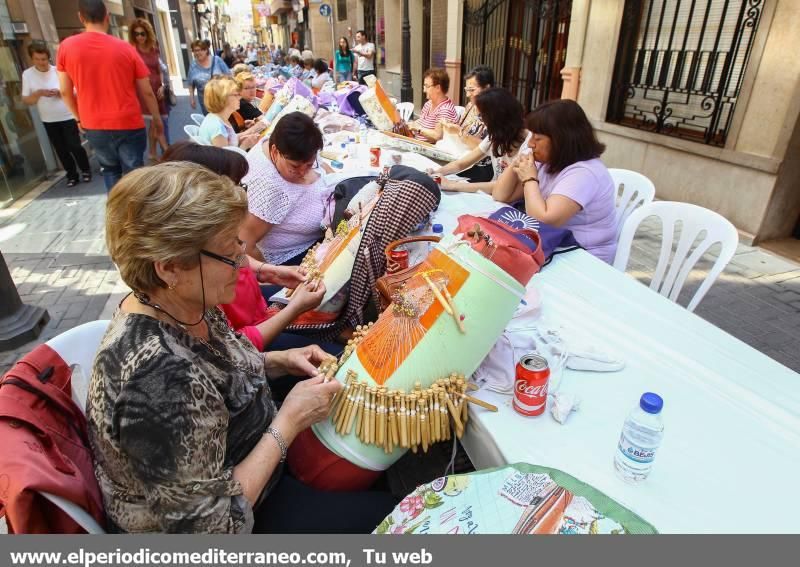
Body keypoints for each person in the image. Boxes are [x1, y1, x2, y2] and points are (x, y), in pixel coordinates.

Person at [92, 161, 396, 533]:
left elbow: (218, 365)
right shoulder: (157, 382)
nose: (243, 261)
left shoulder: (180, 302)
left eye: (239, 242)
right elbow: (210, 528)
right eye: (229, 252)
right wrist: (288, 422)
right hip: (240, 515)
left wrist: (279, 360)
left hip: (250, 456)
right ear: (169, 268)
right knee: (397, 514)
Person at [159, 142, 340, 357]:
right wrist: (293, 310)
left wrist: (269, 272)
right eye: (235, 186)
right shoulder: (194, 291)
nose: (242, 260)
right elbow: (233, 351)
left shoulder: (204, 258)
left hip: (257, 313)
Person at [494, 99, 618, 263]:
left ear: (562, 139)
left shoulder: (585, 173)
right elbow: (501, 195)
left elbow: (544, 219)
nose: (530, 144)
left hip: (584, 257)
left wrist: (530, 178)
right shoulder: (549, 161)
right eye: (531, 135)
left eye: (537, 138)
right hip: (553, 243)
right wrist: (518, 161)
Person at [57, 0, 162, 190]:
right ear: (107, 17)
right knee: (134, 171)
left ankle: (118, 216)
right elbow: (146, 90)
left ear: (81, 17)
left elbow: (65, 91)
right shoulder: (126, 48)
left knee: (110, 170)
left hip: (94, 123)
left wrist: (78, 118)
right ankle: (137, 215)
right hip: (128, 121)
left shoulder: (66, 47)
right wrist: (156, 118)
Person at [240, 112, 331, 266]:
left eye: (309, 164)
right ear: (275, 152)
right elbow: (245, 243)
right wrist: (272, 276)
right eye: (295, 167)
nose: (303, 172)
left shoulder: (286, 145)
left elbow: (323, 169)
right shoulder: (269, 188)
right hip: (292, 256)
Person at [430, 88, 529, 192]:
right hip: (494, 197)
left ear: (497, 118)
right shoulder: (495, 137)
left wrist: (452, 185)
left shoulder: (528, 145)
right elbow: (461, 164)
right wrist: (435, 173)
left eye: (482, 116)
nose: (481, 121)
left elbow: (505, 187)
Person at [21, 42, 91, 188]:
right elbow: (27, 100)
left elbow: (76, 91)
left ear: (49, 58)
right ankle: (71, 175)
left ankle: (85, 170)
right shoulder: (27, 75)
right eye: (37, 59)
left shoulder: (58, 71)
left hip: (67, 115)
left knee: (74, 145)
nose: (41, 62)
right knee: (61, 149)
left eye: (44, 59)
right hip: (48, 119)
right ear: (31, 59)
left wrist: (61, 93)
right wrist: (39, 93)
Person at [440, 65, 494, 182]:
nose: (468, 94)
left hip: (480, 166)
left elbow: (486, 148)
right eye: (467, 90)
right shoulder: (470, 106)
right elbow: (462, 129)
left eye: (472, 90)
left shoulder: (493, 114)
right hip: (461, 157)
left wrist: (459, 132)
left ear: (487, 88)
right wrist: (452, 127)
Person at [128, 18, 169, 161]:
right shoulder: (132, 50)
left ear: (148, 34)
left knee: (155, 123)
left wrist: (163, 86)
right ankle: (168, 153)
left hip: (157, 89)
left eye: (142, 33)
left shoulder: (154, 49)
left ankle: (152, 153)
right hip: (143, 91)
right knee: (155, 121)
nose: (140, 37)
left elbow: (160, 70)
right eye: (136, 34)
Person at [198, 76, 263, 149]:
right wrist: (245, 146)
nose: (240, 97)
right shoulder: (217, 128)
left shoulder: (219, 118)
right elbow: (226, 159)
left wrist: (246, 135)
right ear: (223, 98)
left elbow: (230, 140)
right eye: (236, 95)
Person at [408, 68, 458, 143]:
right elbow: (422, 122)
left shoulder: (445, 110)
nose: (424, 90)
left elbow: (438, 136)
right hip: (417, 144)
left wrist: (418, 129)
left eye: (427, 86)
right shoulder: (428, 104)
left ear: (438, 88)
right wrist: (411, 124)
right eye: (424, 86)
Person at [188, 39, 231, 114]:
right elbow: (190, 83)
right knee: (210, 120)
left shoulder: (217, 60)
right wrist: (192, 98)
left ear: (206, 50)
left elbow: (229, 76)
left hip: (220, 97)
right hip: (205, 101)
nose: (197, 53)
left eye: (200, 50)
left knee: (224, 119)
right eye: (195, 51)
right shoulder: (193, 65)